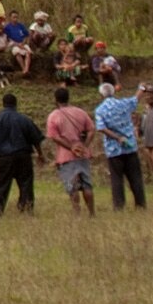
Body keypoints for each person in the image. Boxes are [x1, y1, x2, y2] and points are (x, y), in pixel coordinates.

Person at [0, 90, 46, 215]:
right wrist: (40, 154)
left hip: (4, 157)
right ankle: (26, 209)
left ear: (3, 104)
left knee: (2, 184)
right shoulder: (24, 119)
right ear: (16, 104)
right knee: (25, 183)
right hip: (23, 156)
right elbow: (36, 139)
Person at [45, 86, 97, 218]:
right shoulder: (80, 112)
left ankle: (77, 213)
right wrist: (84, 146)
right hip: (83, 154)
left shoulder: (54, 116)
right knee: (86, 185)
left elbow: (54, 137)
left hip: (66, 156)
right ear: (68, 98)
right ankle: (92, 213)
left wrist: (70, 147)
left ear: (56, 100)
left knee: (72, 186)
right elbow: (91, 129)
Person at [93, 82, 146, 210]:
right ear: (113, 92)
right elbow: (136, 99)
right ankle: (140, 204)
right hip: (130, 146)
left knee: (117, 178)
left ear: (101, 95)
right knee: (135, 177)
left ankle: (119, 206)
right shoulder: (123, 103)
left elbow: (101, 128)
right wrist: (141, 88)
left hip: (113, 149)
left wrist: (117, 138)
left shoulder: (100, 110)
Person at [2, 10, 31, 75]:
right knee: (17, 53)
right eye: (13, 17)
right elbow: (7, 38)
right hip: (14, 45)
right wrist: (17, 44)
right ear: (10, 18)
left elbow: (26, 35)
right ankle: (23, 69)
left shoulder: (21, 26)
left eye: (16, 17)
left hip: (22, 43)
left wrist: (23, 43)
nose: (15, 19)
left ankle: (26, 69)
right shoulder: (7, 27)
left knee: (28, 53)